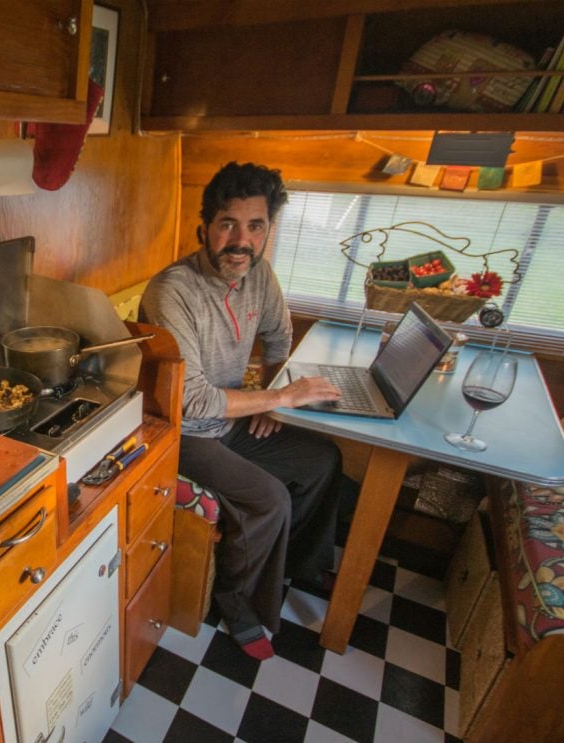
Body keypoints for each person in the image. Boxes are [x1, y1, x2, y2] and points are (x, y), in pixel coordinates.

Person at [139, 161, 346, 660]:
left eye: (255, 227)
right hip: (184, 432)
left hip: (231, 418)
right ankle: (239, 604)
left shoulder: (260, 275)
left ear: (268, 232)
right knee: (268, 498)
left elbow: (280, 339)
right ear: (204, 229)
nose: (241, 240)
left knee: (322, 460)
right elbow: (193, 400)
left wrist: (274, 398)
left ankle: (296, 562)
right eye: (228, 224)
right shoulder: (173, 292)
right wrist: (278, 398)